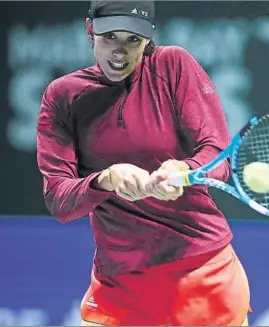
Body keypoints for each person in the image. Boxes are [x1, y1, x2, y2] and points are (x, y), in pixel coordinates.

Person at [36, 0, 251, 325]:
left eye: (132, 40)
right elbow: (59, 200)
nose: (119, 51)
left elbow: (219, 156)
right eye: (109, 37)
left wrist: (184, 172)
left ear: (148, 39)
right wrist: (104, 180)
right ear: (90, 30)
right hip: (120, 283)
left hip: (201, 272)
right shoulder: (64, 96)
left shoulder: (173, 66)